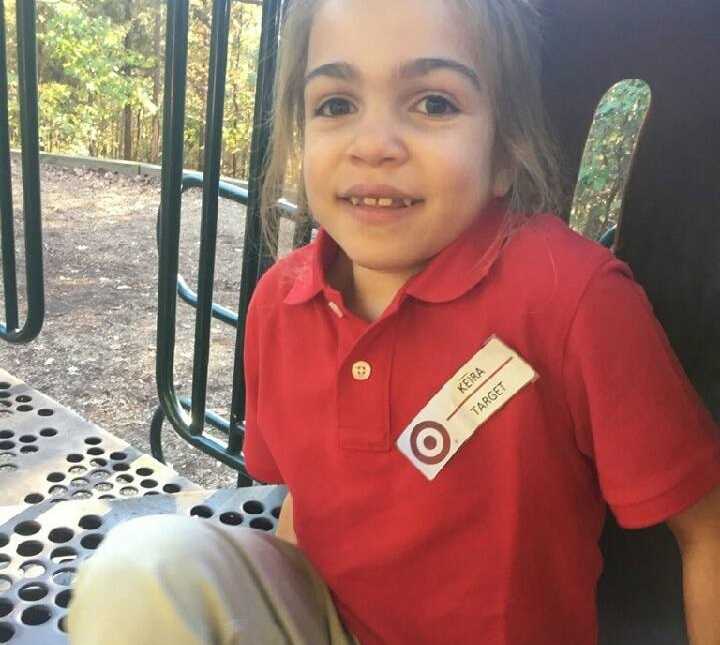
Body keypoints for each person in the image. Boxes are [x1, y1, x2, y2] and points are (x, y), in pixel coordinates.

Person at [68, 0, 720, 644]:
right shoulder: (279, 303)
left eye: (433, 103)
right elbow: (303, 506)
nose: (374, 145)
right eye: (336, 104)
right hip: (328, 621)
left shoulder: (576, 300)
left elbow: (707, 530)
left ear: (504, 152)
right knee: (139, 567)